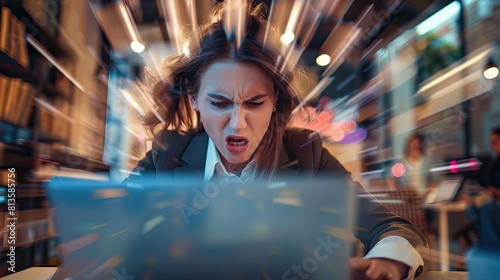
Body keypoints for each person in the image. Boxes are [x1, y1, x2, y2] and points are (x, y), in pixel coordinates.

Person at [125, 1, 428, 279]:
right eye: (219, 103)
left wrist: (388, 263)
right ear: (194, 100)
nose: (237, 123)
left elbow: (391, 228)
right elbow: (111, 225)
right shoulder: (167, 154)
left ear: (275, 102)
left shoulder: (306, 154)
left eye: (255, 103)